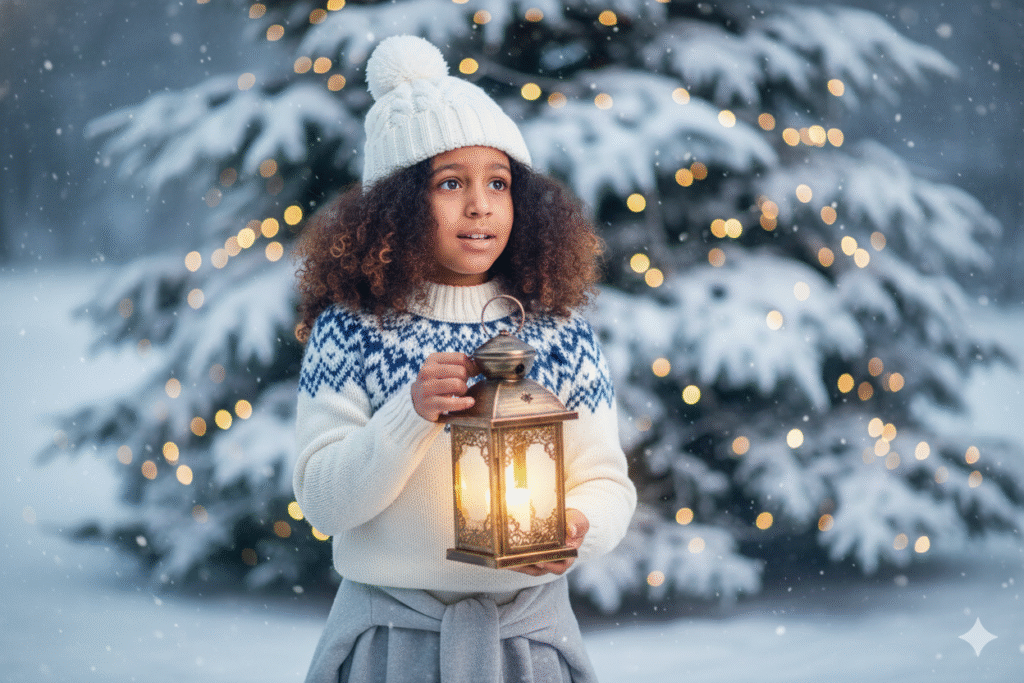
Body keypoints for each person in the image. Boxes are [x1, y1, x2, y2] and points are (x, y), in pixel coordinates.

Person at [292, 34, 636, 683]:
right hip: (392, 642)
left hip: (524, 645)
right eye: (451, 182)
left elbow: (606, 480)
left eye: (498, 182)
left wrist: (578, 525)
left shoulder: (556, 330)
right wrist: (409, 414)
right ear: (396, 204)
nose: (480, 204)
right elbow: (323, 500)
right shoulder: (354, 330)